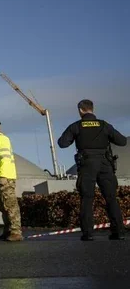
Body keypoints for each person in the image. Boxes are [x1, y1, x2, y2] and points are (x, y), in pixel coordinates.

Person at [58, 99, 127, 241]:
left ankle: (88, 233)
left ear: (80, 110)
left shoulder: (76, 126)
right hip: (105, 164)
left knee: (87, 199)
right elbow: (122, 141)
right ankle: (119, 232)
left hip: (87, 164)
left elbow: (62, 143)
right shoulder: (104, 125)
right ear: (92, 109)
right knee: (111, 198)